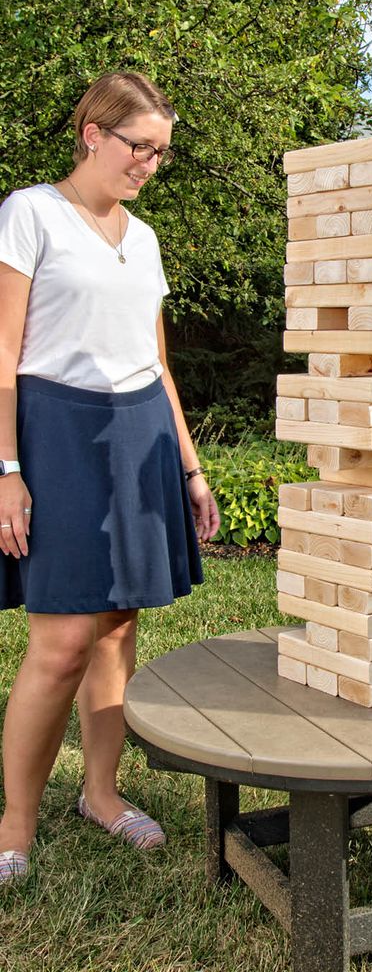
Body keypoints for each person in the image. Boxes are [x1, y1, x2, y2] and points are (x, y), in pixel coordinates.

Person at [0, 71, 220, 883]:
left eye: (161, 153)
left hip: (140, 433)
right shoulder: (30, 213)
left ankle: (100, 792)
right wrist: (6, 469)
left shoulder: (147, 237)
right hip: (56, 431)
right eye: (140, 147)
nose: (149, 165)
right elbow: (4, 353)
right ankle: (13, 823)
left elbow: (155, 360)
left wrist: (191, 467)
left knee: (121, 625)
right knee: (60, 641)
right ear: (93, 131)